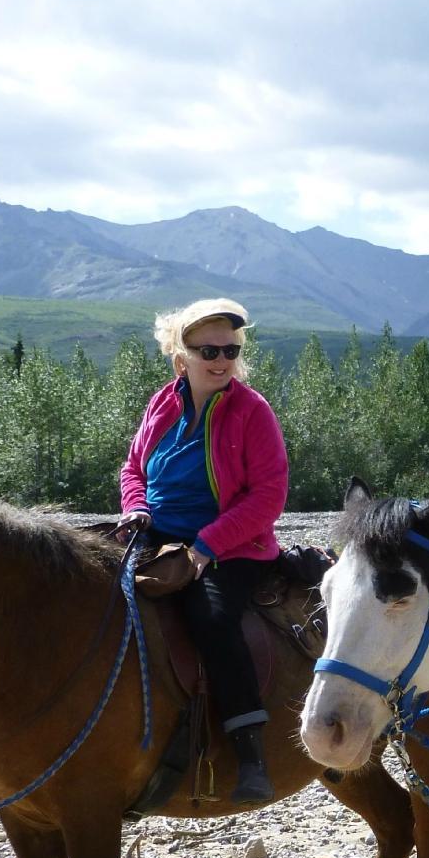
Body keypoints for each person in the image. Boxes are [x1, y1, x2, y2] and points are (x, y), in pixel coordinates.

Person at [118, 297, 290, 802]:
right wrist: (136, 508)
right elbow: (133, 469)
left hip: (233, 545)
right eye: (208, 351)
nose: (221, 360)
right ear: (182, 358)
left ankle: (250, 752)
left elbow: (269, 497)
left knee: (212, 619)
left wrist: (205, 547)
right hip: (156, 535)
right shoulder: (162, 404)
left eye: (230, 350)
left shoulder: (253, 411)